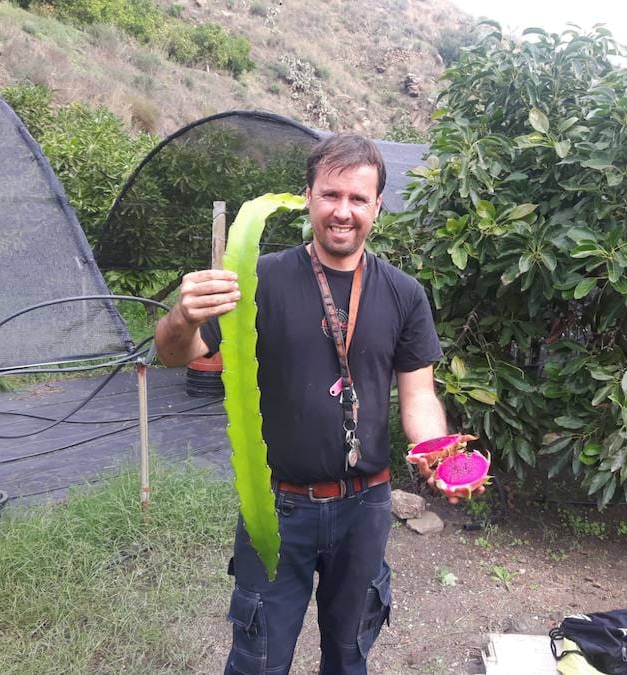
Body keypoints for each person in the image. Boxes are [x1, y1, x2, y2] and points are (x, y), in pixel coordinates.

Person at [154, 133, 448, 675]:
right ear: (308, 197)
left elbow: (419, 392)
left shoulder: (404, 293)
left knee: (348, 655)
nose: (343, 212)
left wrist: (435, 450)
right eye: (330, 195)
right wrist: (183, 316)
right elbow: (177, 354)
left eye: (358, 199)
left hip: (366, 507)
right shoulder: (256, 278)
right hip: (278, 508)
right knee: (258, 660)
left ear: (378, 206)